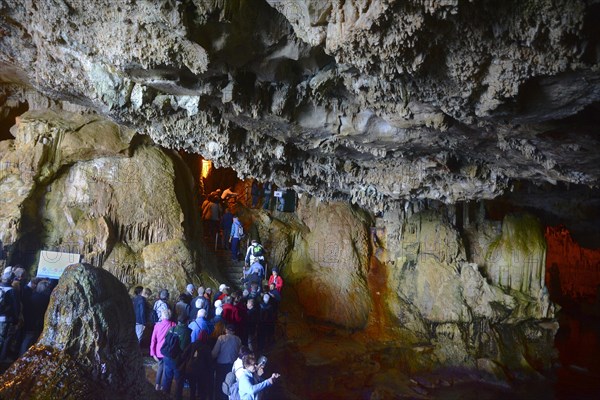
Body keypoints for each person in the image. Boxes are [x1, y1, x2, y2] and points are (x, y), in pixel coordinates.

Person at [162, 313, 192, 397]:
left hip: (167, 357)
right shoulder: (186, 332)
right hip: (177, 361)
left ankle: (165, 395)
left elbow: (166, 340)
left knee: (167, 378)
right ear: (186, 321)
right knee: (179, 381)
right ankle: (178, 397)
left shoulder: (172, 328)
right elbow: (184, 348)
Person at [212, 324, 241, 400]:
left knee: (220, 383)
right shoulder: (238, 339)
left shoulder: (221, 338)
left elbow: (214, 353)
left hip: (221, 365)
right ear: (234, 331)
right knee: (230, 384)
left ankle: (219, 398)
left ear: (226, 330)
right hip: (232, 365)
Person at [150, 308, 176, 391]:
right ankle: (163, 388)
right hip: (168, 351)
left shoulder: (157, 325)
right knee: (166, 369)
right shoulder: (173, 325)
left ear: (162, 316)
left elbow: (153, 340)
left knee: (160, 367)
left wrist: (153, 353)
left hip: (158, 351)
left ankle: (157, 385)